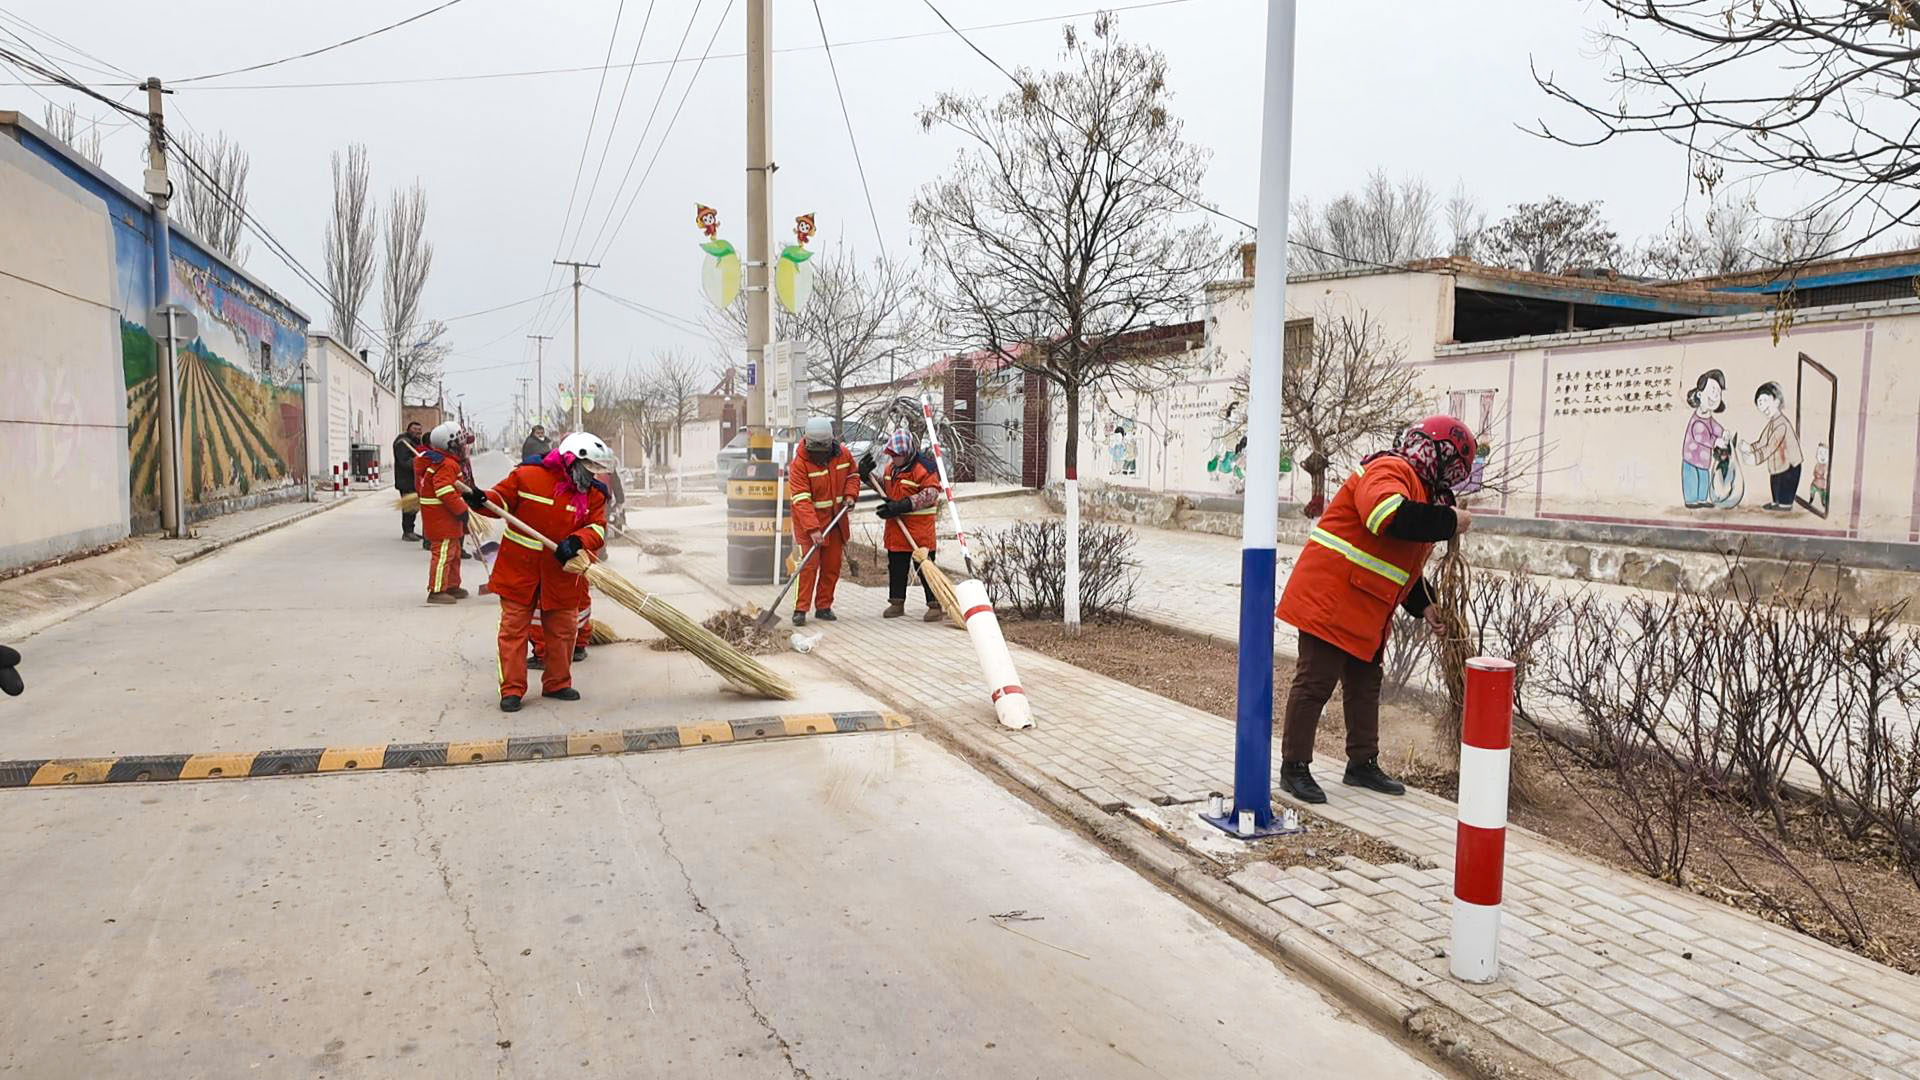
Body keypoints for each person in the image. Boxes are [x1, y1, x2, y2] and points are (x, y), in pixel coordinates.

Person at [1275, 415, 1476, 805]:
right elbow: (1386, 517)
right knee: (1315, 681)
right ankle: (1294, 767)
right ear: (1435, 451)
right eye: (1451, 467)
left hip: (1365, 605)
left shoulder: (1423, 491)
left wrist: (1426, 605)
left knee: (1365, 685)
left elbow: (1402, 562)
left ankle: (1362, 763)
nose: (1451, 479)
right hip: (1331, 598)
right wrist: (1449, 520)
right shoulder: (1390, 468)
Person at [468, 432, 613, 712]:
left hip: (561, 574)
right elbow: (500, 500)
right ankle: (511, 690)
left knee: (562, 632)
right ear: (571, 460)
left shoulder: (593, 494)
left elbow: (597, 527)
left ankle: (557, 683)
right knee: (513, 631)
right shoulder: (528, 477)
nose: (592, 476)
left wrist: (578, 540)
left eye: (597, 470)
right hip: (518, 571)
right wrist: (480, 499)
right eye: (589, 469)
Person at [864, 429, 944, 621]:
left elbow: (931, 493)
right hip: (898, 528)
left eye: (897, 455)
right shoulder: (891, 468)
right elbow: (885, 487)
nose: (894, 458)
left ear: (907, 453)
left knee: (925, 567)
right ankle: (896, 602)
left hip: (919, 529)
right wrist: (867, 477)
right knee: (897, 566)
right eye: (892, 455)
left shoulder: (924, 468)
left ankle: (935, 604)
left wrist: (903, 505)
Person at [787, 416, 859, 625]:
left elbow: (853, 476)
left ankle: (824, 606)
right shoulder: (800, 464)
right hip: (809, 523)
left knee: (832, 565)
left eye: (822, 451)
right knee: (808, 566)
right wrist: (812, 529)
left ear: (831, 443)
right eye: (815, 451)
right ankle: (800, 609)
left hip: (835, 521)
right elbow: (801, 499)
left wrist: (850, 495)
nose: (819, 455)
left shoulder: (843, 454)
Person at [414, 422, 473, 605]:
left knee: (453, 553)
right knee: (443, 554)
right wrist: (462, 510)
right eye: (460, 444)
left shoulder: (446, 462)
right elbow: (444, 491)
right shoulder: (447, 464)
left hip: (447, 518)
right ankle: (437, 590)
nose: (463, 448)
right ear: (450, 445)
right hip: (442, 518)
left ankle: (452, 585)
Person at [1744, 381, 1804, 512]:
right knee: (1775, 483)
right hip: (1778, 465)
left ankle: (1784, 505)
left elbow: (1771, 446)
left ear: (1776, 401)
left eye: (1765, 401)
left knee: (1785, 495)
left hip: (1790, 466)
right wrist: (1750, 448)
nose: (1762, 405)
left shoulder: (1781, 424)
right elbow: (1763, 441)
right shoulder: (1772, 423)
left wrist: (1756, 458)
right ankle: (1776, 502)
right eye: (1759, 403)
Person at [1680, 370, 1728, 508]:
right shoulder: (1697, 420)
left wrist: (1723, 433)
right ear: (1700, 394)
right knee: (1692, 479)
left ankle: (1702, 499)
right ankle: (1691, 500)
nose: (1715, 396)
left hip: (1704, 459)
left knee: (1704, 479)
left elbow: (1715, 427)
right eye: (1712, 391)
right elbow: (1701, 436)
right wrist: (1716, 442)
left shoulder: (1708, 418)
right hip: (1691, 458)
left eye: (1718, 393)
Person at [393, 421, 425, 541]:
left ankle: (410, 530)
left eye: (419, 430)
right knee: (409, 507)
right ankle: (407, 532)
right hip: (406, 480)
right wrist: (419, 461)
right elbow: (405, 462)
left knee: (414, 507)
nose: (418, 432)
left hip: (414, 480)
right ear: (409, 430)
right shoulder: (403, 443)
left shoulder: (415, 442)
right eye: (415, 430)